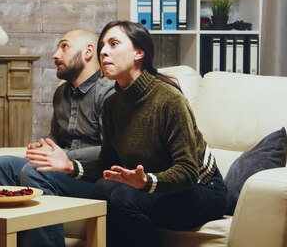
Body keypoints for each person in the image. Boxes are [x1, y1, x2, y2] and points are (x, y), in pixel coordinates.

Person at [26, 21, 228, 247]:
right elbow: (108, 164)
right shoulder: (113, 105)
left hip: (201, 190)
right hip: (153, 187)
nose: (103, 51)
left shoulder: (169, 100)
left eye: (113, 44)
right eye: (102, 45)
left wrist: (145, 181)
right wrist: (70, 166)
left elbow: (188, 172)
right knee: (104, 188)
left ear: (138, 53)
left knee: (121, 198)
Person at [0, 29, 115, 247]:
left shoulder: (108, 92)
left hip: (92, 177)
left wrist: (62, 156)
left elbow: (109, 149)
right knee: (2, 165)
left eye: (64, 46)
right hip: (61, 171)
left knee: (34, 171)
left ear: (88, 52)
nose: (55, 54)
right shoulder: (61, 92)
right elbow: (56, 137)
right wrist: (44, 146)